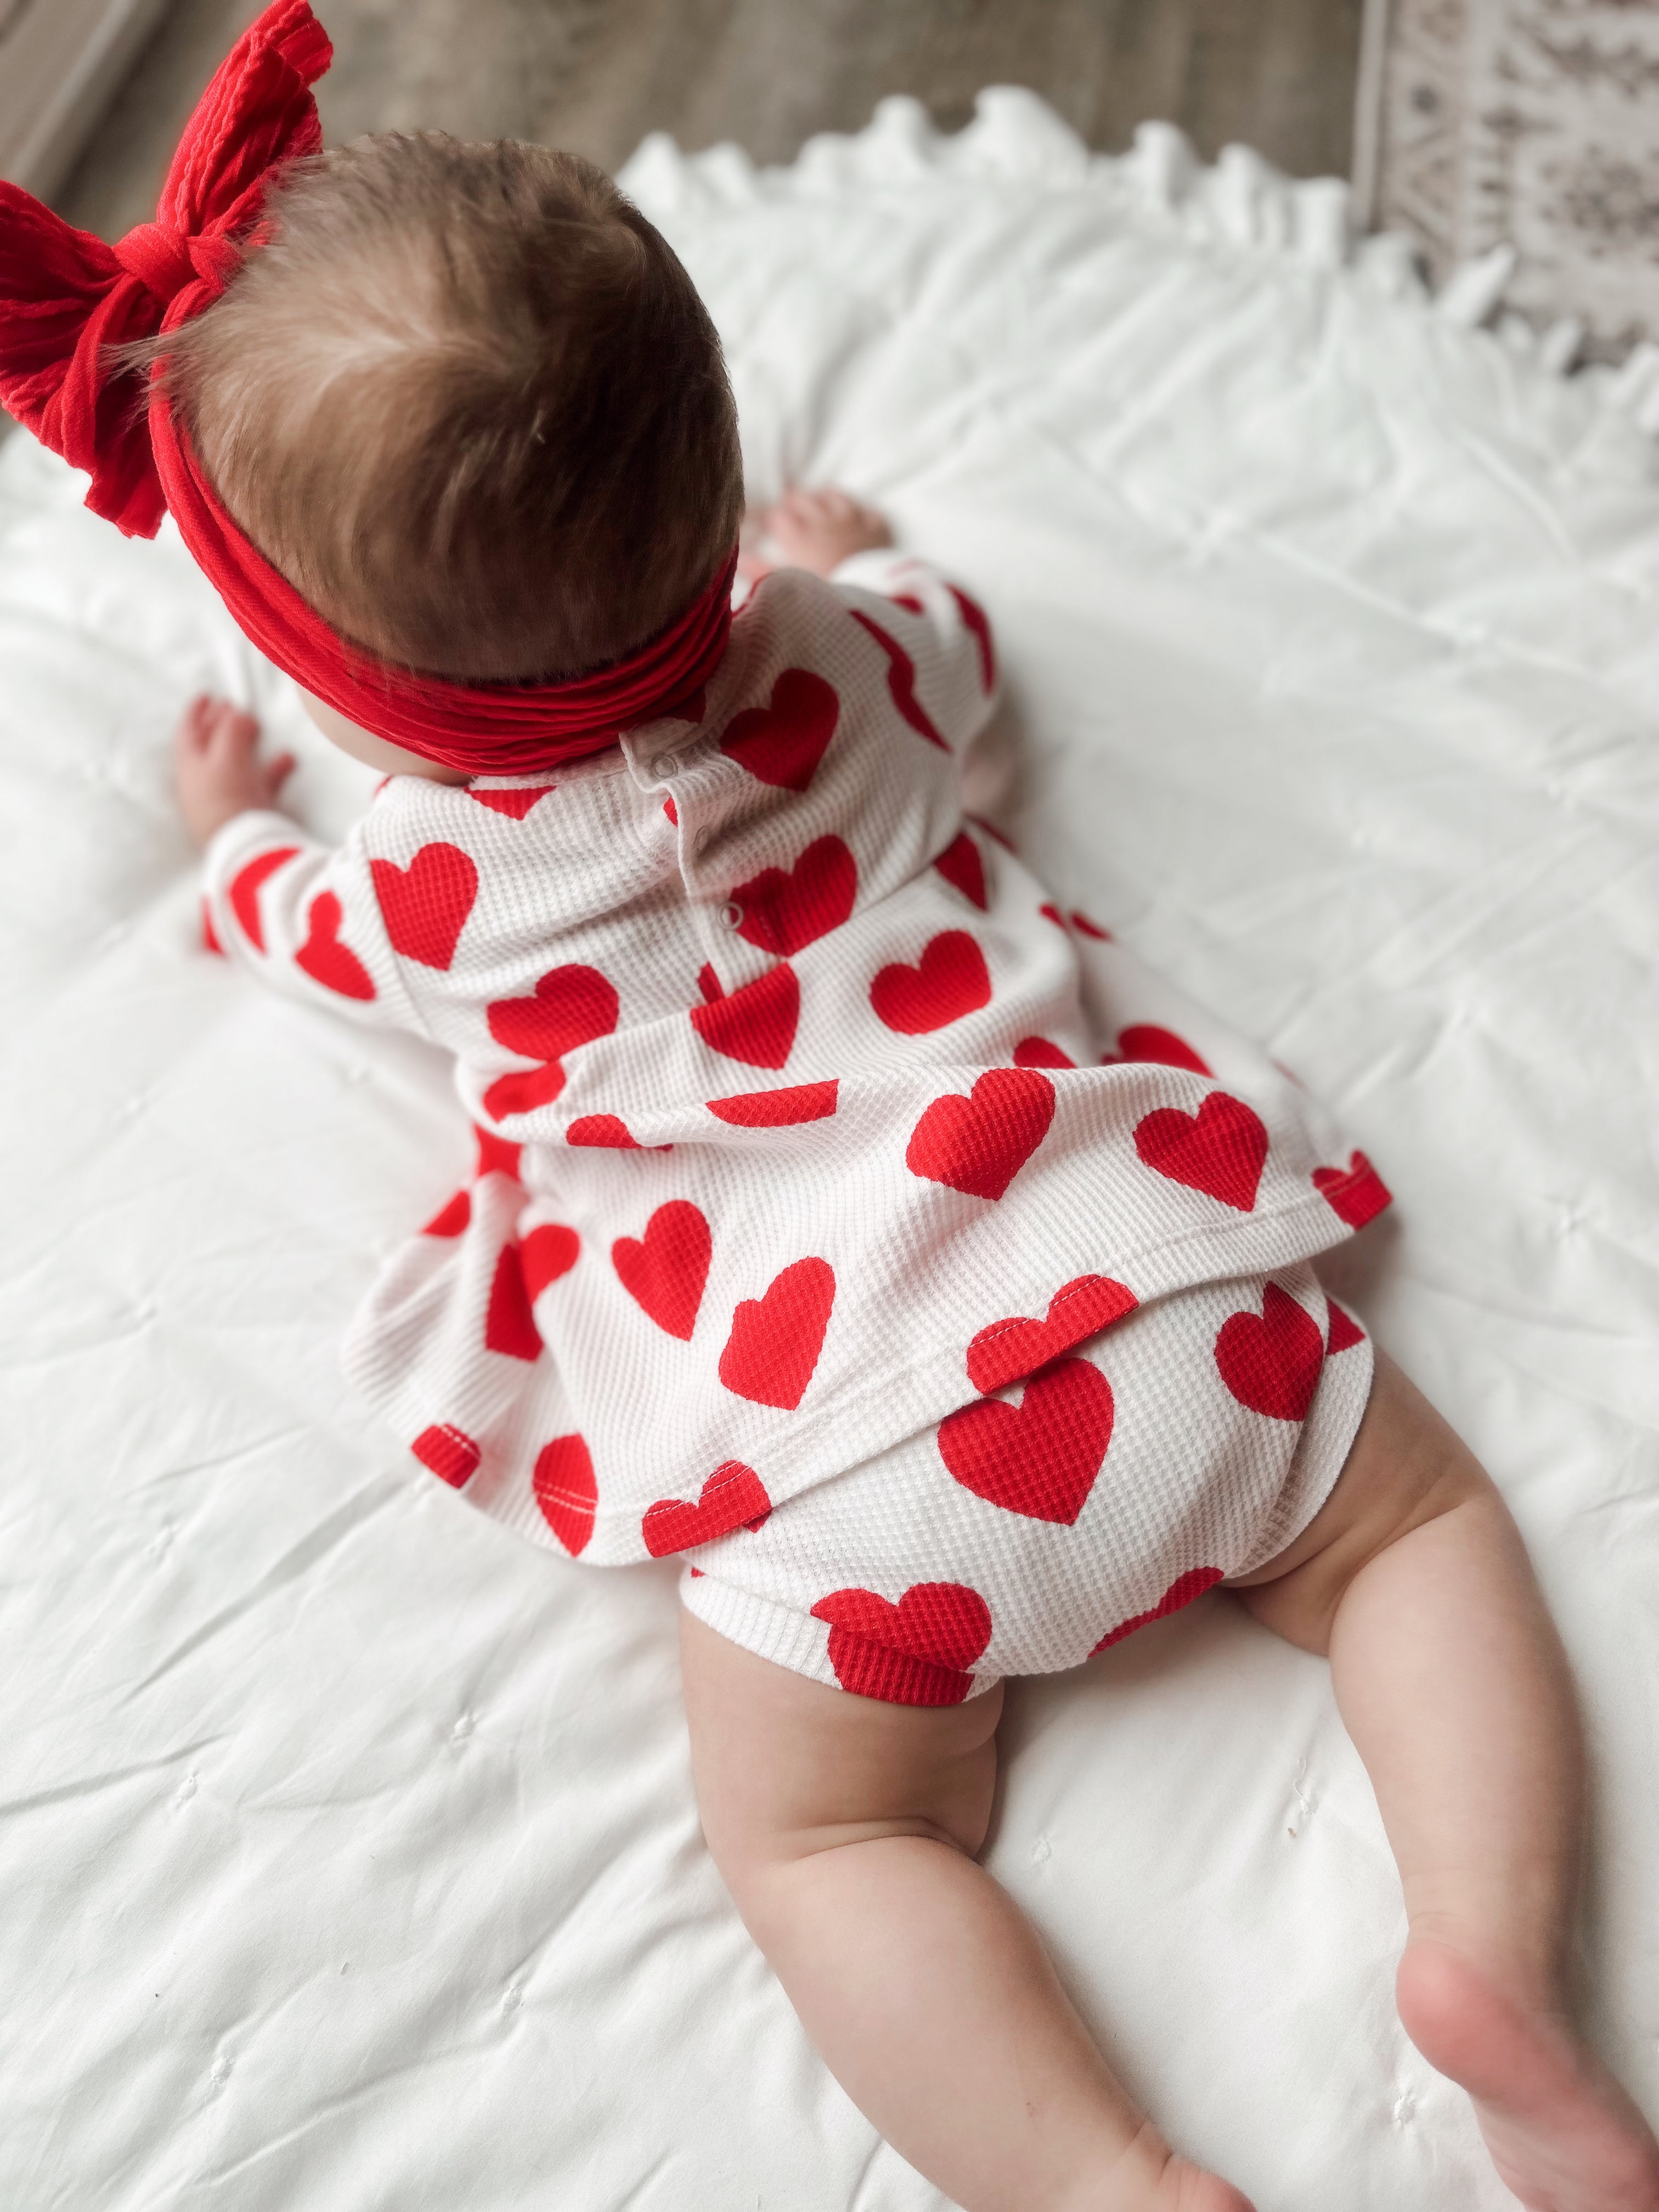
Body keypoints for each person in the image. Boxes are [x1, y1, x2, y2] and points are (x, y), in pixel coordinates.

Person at [3, 9, 1655, 2207]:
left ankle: (1100, 2182)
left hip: (848, 1502)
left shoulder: (421, 891)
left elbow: (296, 928)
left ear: (336, 681)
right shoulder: (849, 660)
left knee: (827, 1839)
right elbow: (961, 652)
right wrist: (839, 559)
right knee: (1413, 1541)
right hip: (1155, 1302)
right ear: (712, 499)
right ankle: (1494, 1968)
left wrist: (226, 846)